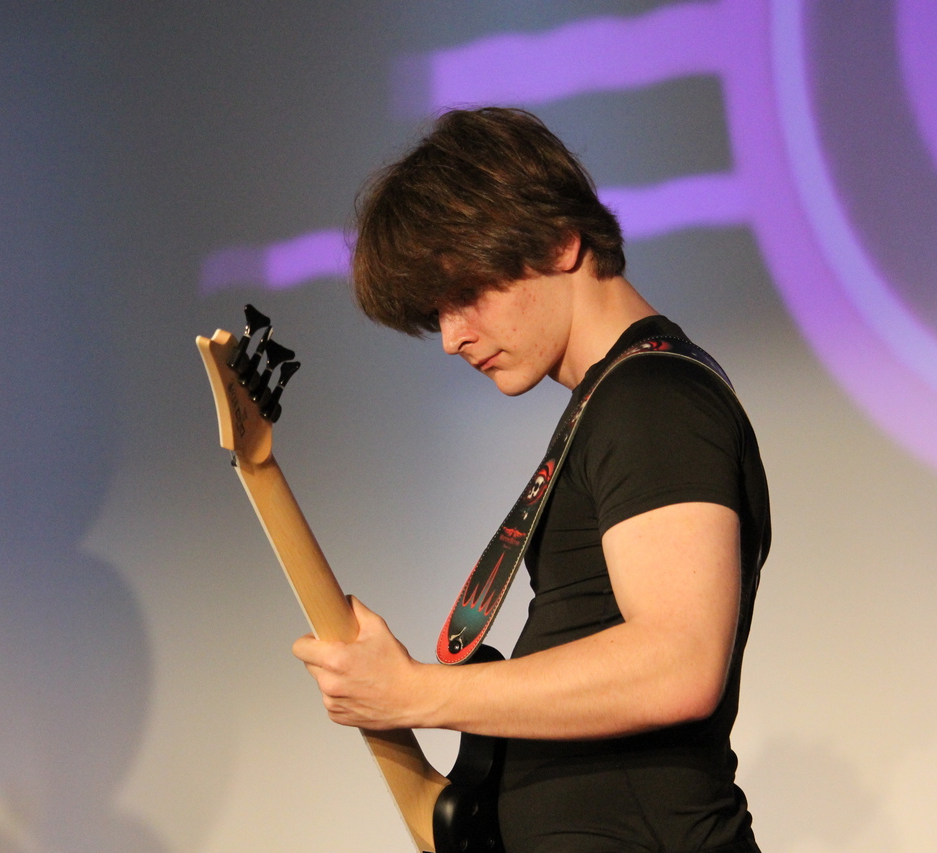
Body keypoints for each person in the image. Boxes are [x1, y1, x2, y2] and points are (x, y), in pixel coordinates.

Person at [292, 107, 770, 853]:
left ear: (558, 241)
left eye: (463, 293)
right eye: (437, 311)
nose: (451, 337)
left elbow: (680, 663)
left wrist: (417, 692)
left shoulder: (654, 401)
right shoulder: (618, 402)